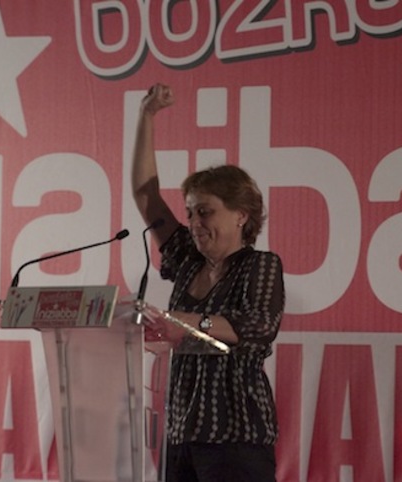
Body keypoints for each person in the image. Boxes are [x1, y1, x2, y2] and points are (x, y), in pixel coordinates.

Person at [131, 83, 285, 482]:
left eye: (206, 212)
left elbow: (255, 326)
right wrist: (146, 116)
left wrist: (182, 321)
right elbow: (146, 196)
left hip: (236, 438)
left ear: (241, 215)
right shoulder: (186, 259)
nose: (195, 223)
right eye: (191, 212)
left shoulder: (260, 265)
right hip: (182, 434)